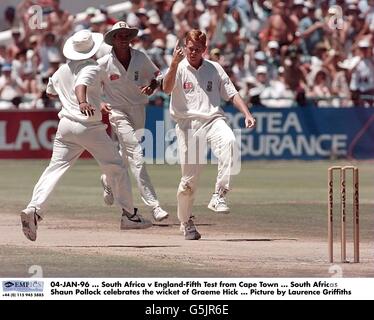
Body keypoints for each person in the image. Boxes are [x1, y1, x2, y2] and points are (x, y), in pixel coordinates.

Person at [20, 29, 152, 242]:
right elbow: (81, 85)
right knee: (116, 167)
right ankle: (130, 215)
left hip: (65, 127)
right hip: (88, 127)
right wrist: (82, 101)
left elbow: (50, 91)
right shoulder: (91, 67)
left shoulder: (62, 69)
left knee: (55, 169)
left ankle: (34, 210)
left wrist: (94, 101)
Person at [162, 29, 256, 240]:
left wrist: (247, 113)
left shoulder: (214, 68)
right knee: (188, 182)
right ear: (184, 46)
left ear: (204, 50)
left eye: (197, 49)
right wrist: (174, 64)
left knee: (231, 141)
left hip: (214, 120)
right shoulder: (177, 67)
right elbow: (167, 89)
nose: (192, 52)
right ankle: (186, 222)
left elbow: (231, 93)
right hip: (187, 125)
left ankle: (219, 195)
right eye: (190, 48)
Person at [97, 22, 169, 222]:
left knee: (127, 155)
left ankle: (108, 179)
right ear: (113, 39)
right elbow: (90, 86)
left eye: (126, 35)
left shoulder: (140, 57)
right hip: (117, 111)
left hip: (138, 109)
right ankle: (154, 205)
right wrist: (100, 102)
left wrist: (153, 86)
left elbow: (157, 75)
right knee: (136, 153)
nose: (123, 39)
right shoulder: (103, 63)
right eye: (119, 36)